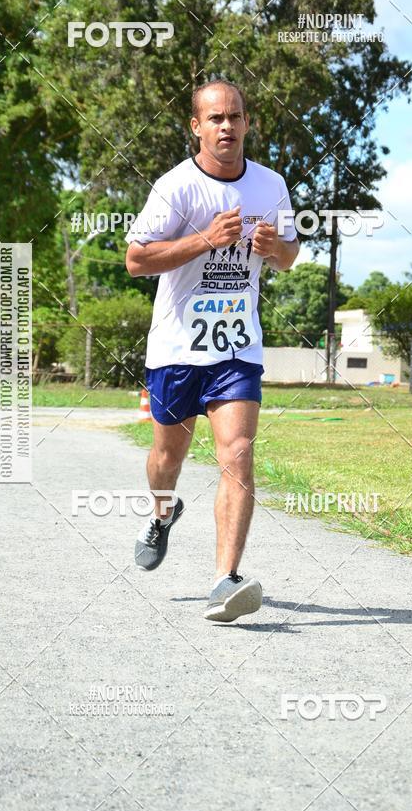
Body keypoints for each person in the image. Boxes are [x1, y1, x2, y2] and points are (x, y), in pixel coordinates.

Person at [125, 78, 299, 622]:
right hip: (177, 347)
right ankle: (161, 513)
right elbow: (136, 260)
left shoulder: (271, 185)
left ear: (247, 123)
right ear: (196, 127)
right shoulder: (174, 187)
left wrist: (276, 249)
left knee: (238, 452)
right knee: (166, 461)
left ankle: (225, 580)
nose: (227, 126)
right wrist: (205, 240)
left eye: (236, 117)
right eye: (216, 118)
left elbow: (290, 256)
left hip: (237, 347)